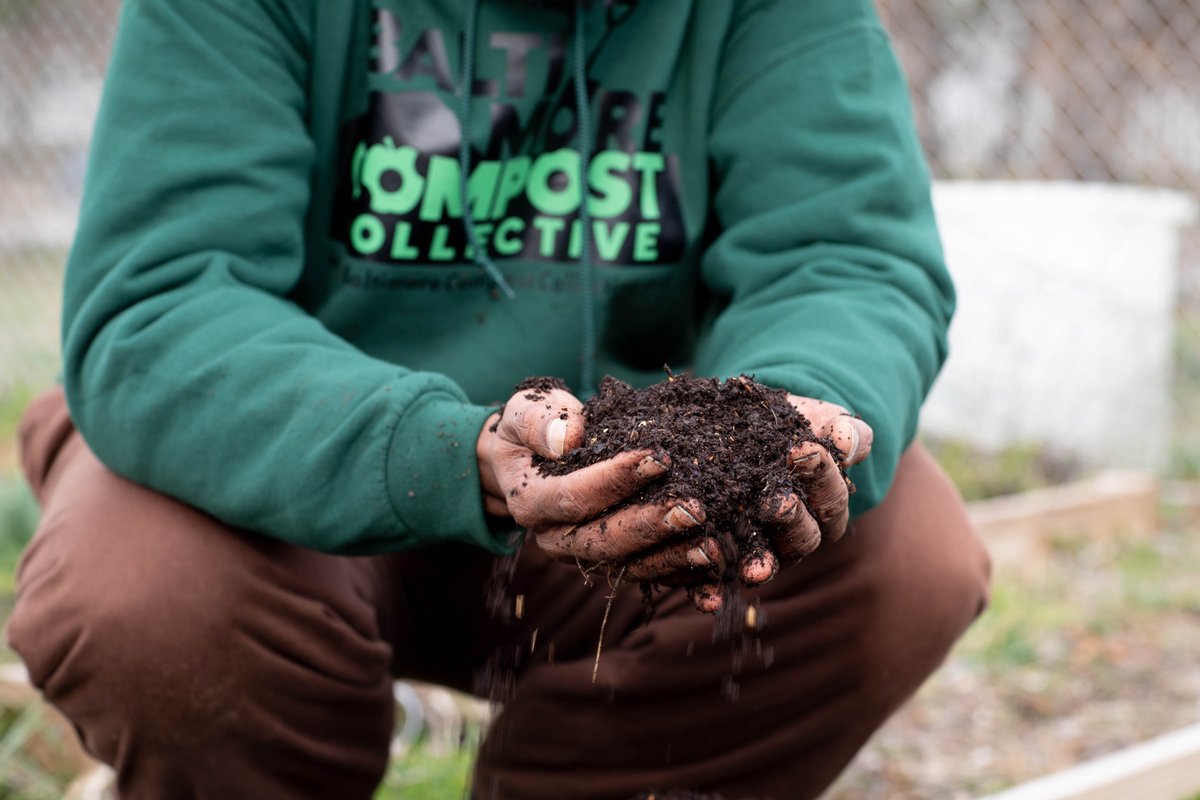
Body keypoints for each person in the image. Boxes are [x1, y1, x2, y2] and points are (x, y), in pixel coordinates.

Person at [7, 0, 991, 797]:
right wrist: (445, 448)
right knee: (145, 593)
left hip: (624, 499)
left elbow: (847, 258)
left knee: (904, 556)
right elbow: (164, 301)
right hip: (293, 484)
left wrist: (778, 422)